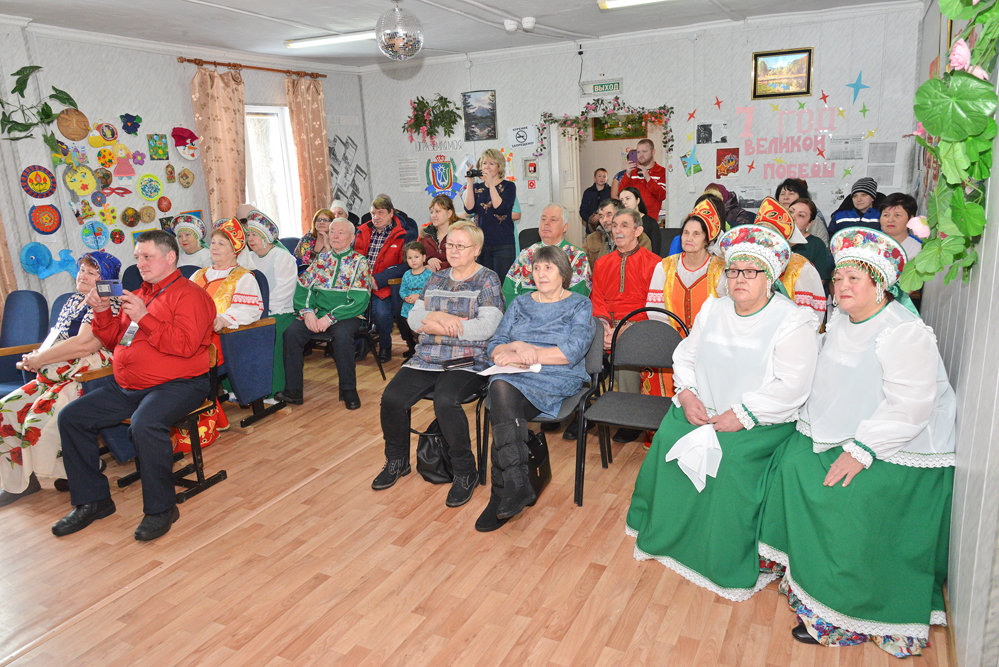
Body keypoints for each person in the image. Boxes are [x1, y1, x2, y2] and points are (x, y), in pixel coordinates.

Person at [759, 227, 954, 657]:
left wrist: (860, 452)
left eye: (854, 279)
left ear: (880, 284)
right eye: (838, 278)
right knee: (790, 462)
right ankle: (801, 571)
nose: (841, 286)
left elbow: (911, 407)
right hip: (851, 431)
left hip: (901, 446)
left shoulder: (903, 332)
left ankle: (844, 608)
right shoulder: (843, 321)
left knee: (844, 494)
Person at [626, 223, 819, 601]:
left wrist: (742, 414)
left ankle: (718, 554)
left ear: (770, 277)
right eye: (734, 271)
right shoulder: (714, 308)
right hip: (704, 407)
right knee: (669, 437)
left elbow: (792, 386)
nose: (739, 279)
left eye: (750, 272)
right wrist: (687, 394)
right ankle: (667, 535)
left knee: (729, 460)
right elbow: (686, 356)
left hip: (761, 420)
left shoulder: (792, 320)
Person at [54, 231, 217, 541]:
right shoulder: (141, 294)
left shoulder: (191, 296)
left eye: (147, 257)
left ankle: (162, 509)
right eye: (137, 257)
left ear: (170, 257)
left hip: (179, 384)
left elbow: (184, 346)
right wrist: (102, 310)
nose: (140, 263)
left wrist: (144, 317)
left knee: (145, 424)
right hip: (130, 385)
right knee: (72, 417)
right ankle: (93, 501)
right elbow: (116, 340)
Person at [373, 221, 504, 508]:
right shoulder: (436, 278)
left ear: (477, 250)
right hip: (427, 357)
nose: (453, 250)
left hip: (467, 360)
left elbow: (487, 327)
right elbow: (413, 319)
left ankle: (464, 472)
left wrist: (436, 323)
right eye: (450, 245)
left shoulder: (487, 279)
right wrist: (449, 321)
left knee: (446, 400)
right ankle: (396, 460)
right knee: (392, 398)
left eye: (461, 246)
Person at [477, 245, 595, 531]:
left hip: (558, 375)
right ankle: (514, 486)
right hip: (516, 373)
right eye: (537, 268)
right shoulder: (520, 303)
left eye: (548, 268)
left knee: (502, 402)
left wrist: (530, 355)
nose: (541, 274)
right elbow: (495, 345)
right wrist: (516, 347)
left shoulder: (580, 304)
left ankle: (502, 494)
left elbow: (573, 350)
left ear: (563, 273)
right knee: (501, 390)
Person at [0, 252, 122, 506]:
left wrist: (40, 359)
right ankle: (21, 481)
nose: (82, 275)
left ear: (106, 280)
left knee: (37, 419)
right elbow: (56, 337)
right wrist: (36, 355)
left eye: (91, 272)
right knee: (6, 410)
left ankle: (70, 470)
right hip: (55, 372)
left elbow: (85, 345)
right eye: (82, 270)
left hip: (85, 377)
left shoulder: (109, 301)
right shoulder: (73, 300)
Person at [275, 218, 373, 410]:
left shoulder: (360, 262)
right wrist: (308, 313)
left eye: (341, 233)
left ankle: (349, 390)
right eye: (332, 231)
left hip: (347, 315)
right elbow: (303, 287)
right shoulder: (321, 260)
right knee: (291, 333)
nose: (335, 236)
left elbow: (359, 300)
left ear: (352, 238)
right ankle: (293, 390)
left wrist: (330, 318)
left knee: (342, 337)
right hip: (318, 314)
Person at [641, 195, 726, 401]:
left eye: (696, 234)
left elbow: (725, 314)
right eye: (686, 233)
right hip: (669, 343)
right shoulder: (665, 267)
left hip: (707, 347)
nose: (689, 238)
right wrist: (673, 342)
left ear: (707, 239)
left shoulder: (720, 270)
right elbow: (654, 310)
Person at [590, 207, 661, 443]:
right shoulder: (602, 263)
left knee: (626, 346)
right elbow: (597, 300)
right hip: (607, 324)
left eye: (624, 225)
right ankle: (585, 406)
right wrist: (604, 326)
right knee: (582, 340)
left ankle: (631, 417)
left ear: (638, 231)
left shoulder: (655, 264)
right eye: (615, 225)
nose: (617, 230)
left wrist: (624, 328)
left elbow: (654, 305)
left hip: (638, 324)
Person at [718, 198, 827, 318]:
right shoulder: (741, 262)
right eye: (759, 233)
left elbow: (811, 316)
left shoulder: (800, 268)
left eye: (770, 237)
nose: (762, 240)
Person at [354, 195, 417, 362]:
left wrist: (379, 279)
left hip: (386, 285)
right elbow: (353, 258)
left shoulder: (405, 234)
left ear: (391, 213)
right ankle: (361, 345)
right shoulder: (362, 231)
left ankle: (385, 346)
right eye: (373, 213)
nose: (376, 217)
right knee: (353, 311)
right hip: (360, 284)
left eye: (381, 213)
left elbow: (406, 265)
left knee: (381, 313)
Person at [245, 210, 299, 396]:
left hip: (280, 312)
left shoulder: (282, 257)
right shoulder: (250, 258)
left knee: (269, 341)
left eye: (255, 235)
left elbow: (284, 292)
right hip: (256, 312)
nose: (250, 239)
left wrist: (262, 310)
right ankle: (249, 390)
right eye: (249, 235)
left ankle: (273, 390)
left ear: (266, 237)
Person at [502, 203, 591, 305]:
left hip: (562, 313)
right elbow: (508, 291)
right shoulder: (526, 255)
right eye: (543, 219)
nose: (546, 223)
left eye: (553, 220)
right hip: (525, 312)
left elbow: (577, 298)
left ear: (565, 227)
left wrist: (546, 311)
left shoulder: (577, 257)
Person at [464, 148, 517, 280]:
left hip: (503, 244)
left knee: (501, 282)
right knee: (484, 282)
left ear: (499, 167)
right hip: (482, 244)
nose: (487, 167)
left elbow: (500, 208)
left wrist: (491, 184)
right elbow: (469, 209)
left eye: (491, 164)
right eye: (484, 163)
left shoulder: (509, 187)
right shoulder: (477, 187)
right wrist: (470, 183)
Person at [582, 198, 652, 268]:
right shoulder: (592, 239)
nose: (604, 220)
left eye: (609, 214)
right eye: (601, 216)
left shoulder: (639, 238)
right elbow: (582, 266)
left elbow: (641, 267)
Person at [397, 241, 432, 360]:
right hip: (408, 307)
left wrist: (419, 296)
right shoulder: (406, 274)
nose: (413, 260)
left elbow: (431, 291)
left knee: (419, 332)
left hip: (422, 308)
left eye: (416, 257)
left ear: (424, 258)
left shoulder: (428, 274)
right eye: (410, 258)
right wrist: (405, 297)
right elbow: (402, 290)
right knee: (406, 328)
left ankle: (421, 352)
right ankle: (411, 349)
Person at [619, 138, 667, 222]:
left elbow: (662, 195)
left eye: (644, 151)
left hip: (651, 218)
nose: (641, 155)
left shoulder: (661, 171)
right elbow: (621, 193)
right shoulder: (632, 171)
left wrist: (648, 178)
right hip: (631, 217)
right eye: (638, 152)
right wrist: (628, 174)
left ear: (653, 152)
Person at [788, 198, 834, 282]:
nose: (792, 217)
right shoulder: (773, 239)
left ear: (809, 224)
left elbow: (820, 281)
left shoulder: (816, 245)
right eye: (791, 211)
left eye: (801, 215)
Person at [775, 178, 829, 245]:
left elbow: (823, 246)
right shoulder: (772, 218)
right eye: (783, 194)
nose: (786, 197)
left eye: (791, 194)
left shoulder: (814, 220)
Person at [619, 186, 662, 256]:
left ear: (637, 200)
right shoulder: (619, 223)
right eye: (621, 200)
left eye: (628, 198)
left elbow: (655, 252)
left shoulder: (650, 223)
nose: (624, 202)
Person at [879, 192, 923, 259]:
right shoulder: (867, 241)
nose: (890, 220)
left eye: (897, 215)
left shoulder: (919, 249)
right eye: (886, 215)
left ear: (911, 219)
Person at [421, 194, 458, 271]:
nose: (433, 215)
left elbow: (465, 260)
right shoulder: (425, 234)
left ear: (449, 214)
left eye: (437, 211)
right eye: (431, 212)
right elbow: (415, 258)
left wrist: (438, 267)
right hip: (430, 277)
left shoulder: (462, 234)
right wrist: (428, 259)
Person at [579, 168, 611, 232]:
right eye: (599, 176)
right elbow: (582, 210)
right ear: (594, 178)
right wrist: (591, 219)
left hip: (607, 228)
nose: (602, 178)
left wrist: (601, 216)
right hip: (591, 228)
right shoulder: (588, 192)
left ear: (607, 178)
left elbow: (613, 209)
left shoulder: (611, 191)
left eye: (604, 176)